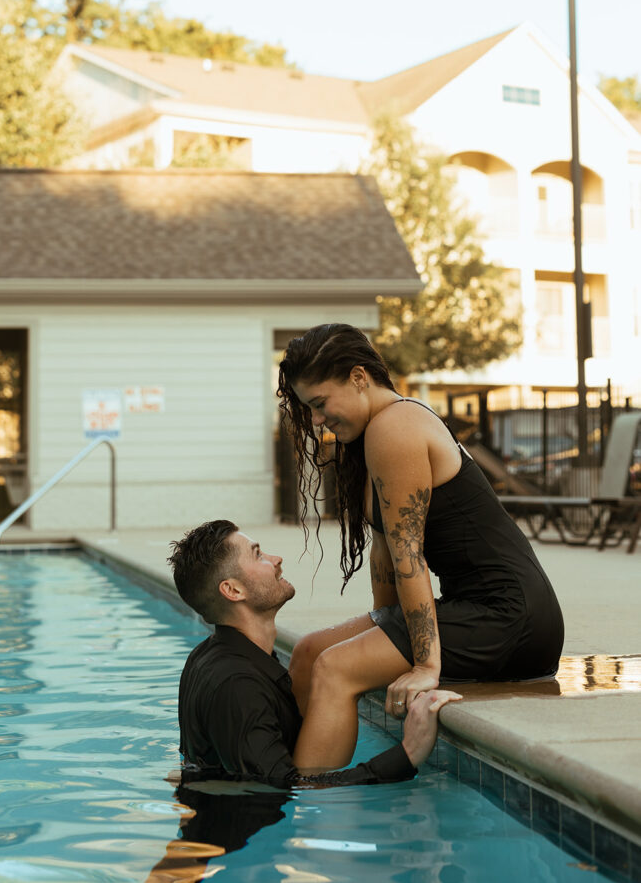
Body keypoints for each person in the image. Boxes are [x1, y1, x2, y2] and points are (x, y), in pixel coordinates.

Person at [276, 323, 564, 773]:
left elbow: (410, 557)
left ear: (357, 378)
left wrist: (425, 666)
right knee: (309, 652)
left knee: (336, 668)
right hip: (478, 610)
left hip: (510, 618)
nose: (316, 420)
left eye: (319, 403)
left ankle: (310, 801)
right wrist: (382, 631)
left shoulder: (397, 426)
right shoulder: (375, 431)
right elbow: (384, 555)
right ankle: (283, 771)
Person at [168, 519, 461, 785]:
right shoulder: (238, 686)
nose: (276, 559)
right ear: (233, 591)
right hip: (255, 837)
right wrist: (407, 753)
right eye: (258, 555)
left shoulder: (206, 657)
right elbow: (287, 789)